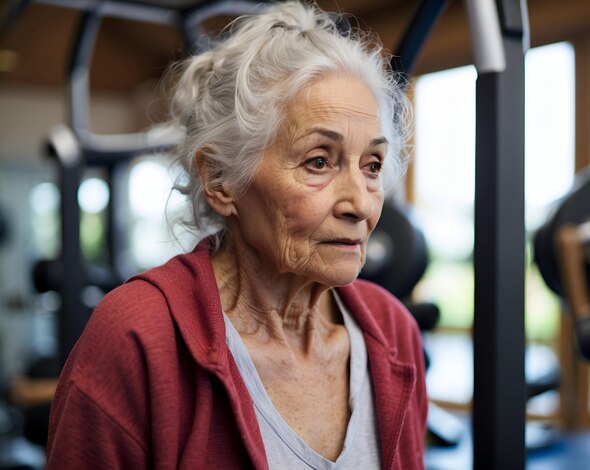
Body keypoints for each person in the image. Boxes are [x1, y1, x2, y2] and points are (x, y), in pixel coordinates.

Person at [45, 1, 427, 468]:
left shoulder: (393, 332)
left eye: (372, 165)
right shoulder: (136, 338)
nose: (362, 203)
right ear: (221, 181)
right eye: (318, 162)